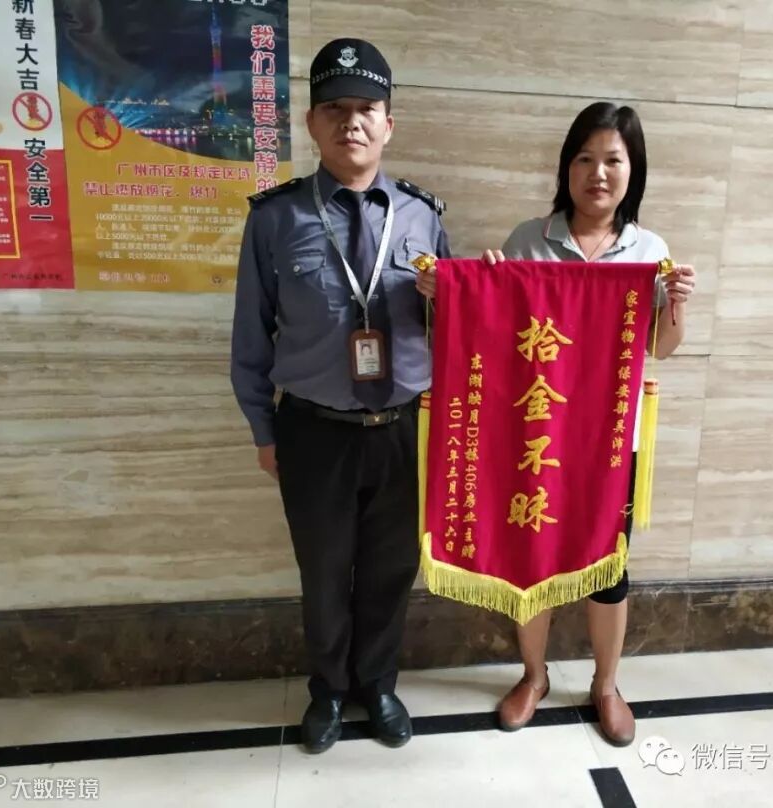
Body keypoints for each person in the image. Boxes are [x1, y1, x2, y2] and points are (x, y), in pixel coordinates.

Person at [417, 101, 694, 747]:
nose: (598, 173)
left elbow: (660, 346)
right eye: (585, 158)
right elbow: (496, 335)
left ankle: (606, 685)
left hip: (608, 445)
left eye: (613, 161)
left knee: (609, 571)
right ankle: (534, 676)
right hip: (534, 438)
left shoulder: (649, 250)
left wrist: (676, 305)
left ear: (633, 171)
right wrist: (470, 289)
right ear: (567, 167)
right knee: (532, 559)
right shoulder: (528, 239)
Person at [231, 38, 450, 755]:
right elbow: (251, 338)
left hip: (405, 428)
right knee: (323, 573)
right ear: (311, 123)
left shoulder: (422, 217)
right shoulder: (274, 220)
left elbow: (458, 335)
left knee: (391, 569)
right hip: (312, 431)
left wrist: (447, 300)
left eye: (366, 109)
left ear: (389, 124)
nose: (351, 122)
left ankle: (377, 684)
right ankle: (327, 690)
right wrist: (264, 431)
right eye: (334, 109)